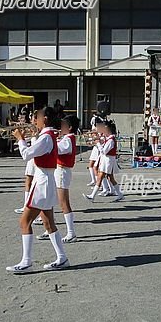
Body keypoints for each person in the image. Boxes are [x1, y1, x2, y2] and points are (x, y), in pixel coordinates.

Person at [7, 107, 70, 273]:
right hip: (46, 180)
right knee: (48, 222)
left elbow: (26, 155)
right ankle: (61, 257)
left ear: (46, 119)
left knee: (24, 221)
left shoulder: (47, 138)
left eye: (38, 117)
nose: (35, 120)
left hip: (42, 181)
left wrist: (21, 139)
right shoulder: (48, 136)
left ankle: (26, 261)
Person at [39, 115, 80, 243]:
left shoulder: (68, 139)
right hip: (59, 171)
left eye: (63, 126)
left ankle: (71, 232)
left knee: (63, 203)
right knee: (51, 200)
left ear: (70, 127)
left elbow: (59, 150)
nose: (60, 128)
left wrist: (51, 140)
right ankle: (49, 228)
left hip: (62, 171)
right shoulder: (66, 138)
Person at [83, 121, 123, 202]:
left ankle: (92, 195)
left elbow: (104, 151)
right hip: (106, 159)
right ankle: (120, 194)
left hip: (108, 160)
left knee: (101, 176)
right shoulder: (108, 138)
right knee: (110, 177)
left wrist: (98, 144)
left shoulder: (111, 140)